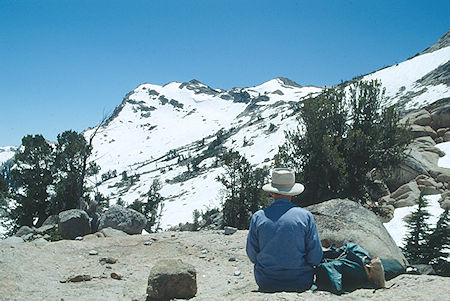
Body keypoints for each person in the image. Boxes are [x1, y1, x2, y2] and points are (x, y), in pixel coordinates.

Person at [246, 168, 323, 292]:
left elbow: (252, 254)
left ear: (272, 192)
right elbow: (315, 256)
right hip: (300, 280)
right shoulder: (305, 216)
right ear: (293, 192)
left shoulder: (259, 217)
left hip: (266, 281)